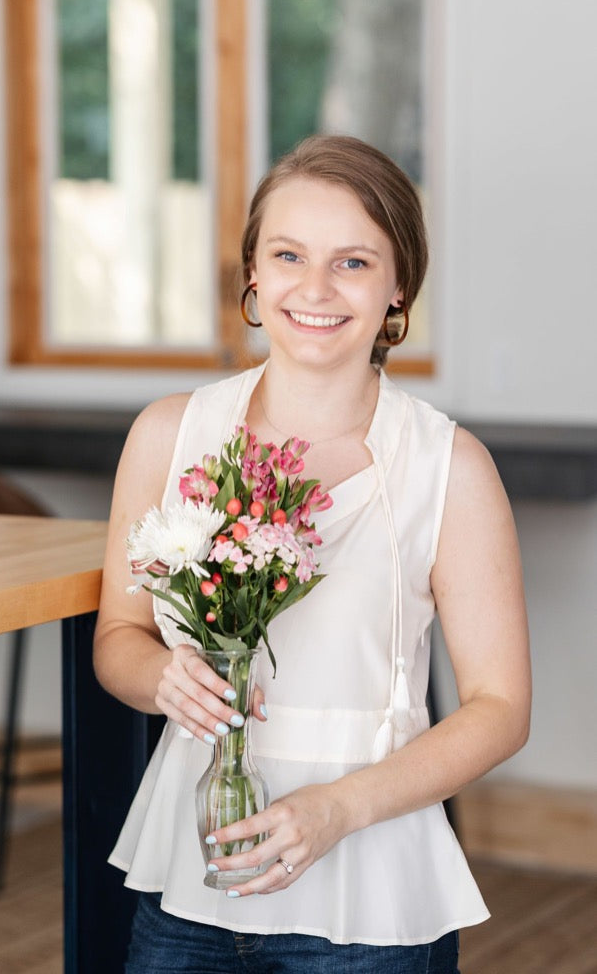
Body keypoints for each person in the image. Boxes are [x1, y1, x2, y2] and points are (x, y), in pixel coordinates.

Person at [94, 135, 531, 973]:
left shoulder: (451, 466)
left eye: (354, 262)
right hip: (189, 876)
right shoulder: (167, 435)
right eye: (288, 254)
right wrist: (155, 678)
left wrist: (335, 810)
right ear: (253, 274)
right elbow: (118, 636)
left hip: (369, 893)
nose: (316, 288)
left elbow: (500, 706)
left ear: (398, 286)